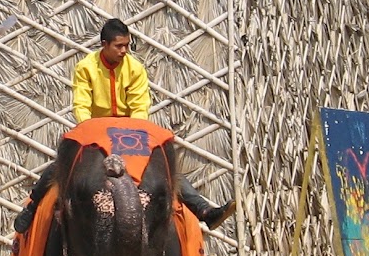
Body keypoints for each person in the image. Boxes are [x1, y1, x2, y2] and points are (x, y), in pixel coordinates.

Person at [17, 18, 235, 232]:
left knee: (165, 167)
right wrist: (91, 131)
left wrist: (134, 133)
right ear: (104, 45)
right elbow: (81, 104)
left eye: (127, 45)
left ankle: (205, 211)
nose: (124, 51)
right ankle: (31, 208)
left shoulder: (135, 68)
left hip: (130, 132)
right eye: (119, 46)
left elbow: (140, 106)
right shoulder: (85, 68)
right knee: (61, 165)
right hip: (94, 130)